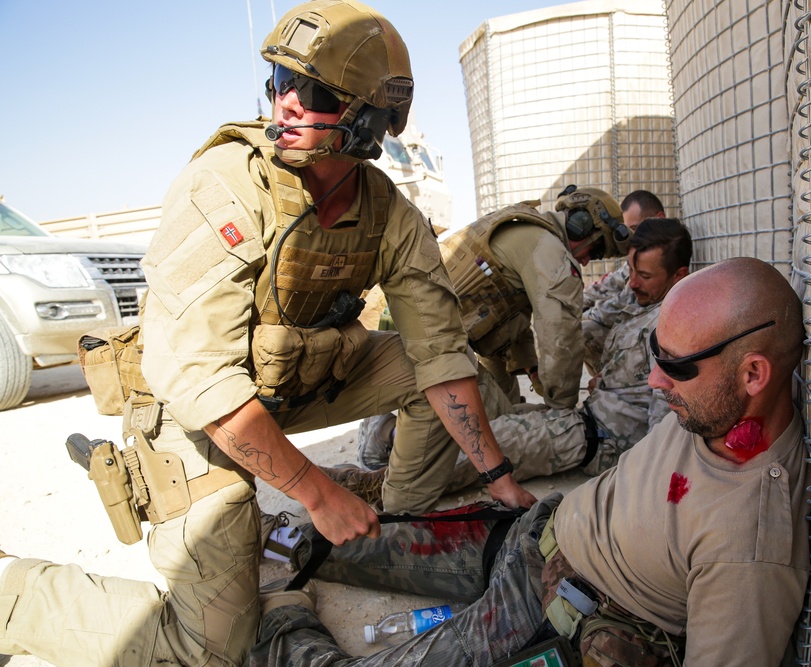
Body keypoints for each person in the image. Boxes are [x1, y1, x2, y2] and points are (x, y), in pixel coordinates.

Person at [0, 2, 535, 665]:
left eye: (309, 92)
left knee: (420, 371)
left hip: (288, 382)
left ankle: (392, 525)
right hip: (188, 413)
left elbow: (439, 355)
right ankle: (11, 594)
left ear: (366, 118)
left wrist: (499, 474)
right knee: (213, 647)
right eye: (277, 83)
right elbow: (196, 374)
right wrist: (316, 490)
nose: (284, 104)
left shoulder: (388, 214)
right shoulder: (226, 187)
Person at [249, 256, 811, 666]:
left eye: (676, 367)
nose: (654, 379)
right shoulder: (712, 409)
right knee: (353, 538)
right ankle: (277, 544)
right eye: (653, 355)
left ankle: (281, 620)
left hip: (552, 608)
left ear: (754, 374)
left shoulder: (749, 543)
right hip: (536, 533)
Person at [334, 218, 691, 497]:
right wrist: (607, 377)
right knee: (489, 413)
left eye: (643, 276)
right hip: (588, 416)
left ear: (679, 276)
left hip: (603, 441)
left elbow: (669, 427)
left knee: (490, 445)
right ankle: (397, 440)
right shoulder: (640, 298)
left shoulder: (679, 331)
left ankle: (373, 485)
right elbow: (589, 324)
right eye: (631, 272)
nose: (631, 284)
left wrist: (644, 482)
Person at [439, 185, 630, 408]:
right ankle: (390, 431)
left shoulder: (527, 228)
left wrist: (532, 368)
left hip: (445, 340)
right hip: (435, 350)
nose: (586, 261)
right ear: (582, 226)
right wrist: (562, 409)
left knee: (506, 405)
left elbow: (512, 313)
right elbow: (561, 338)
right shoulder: (551, 253)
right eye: (595, 250)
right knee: (490, 425)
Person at [581, 190, 669, 373]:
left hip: (650, 334)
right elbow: (609, 285)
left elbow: (623, 303)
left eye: (635, 228)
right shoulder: (643, 253)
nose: (632, 238)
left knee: (584, 330)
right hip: (636, 327)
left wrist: (583, 316)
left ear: (659, 218)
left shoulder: (667, 256)